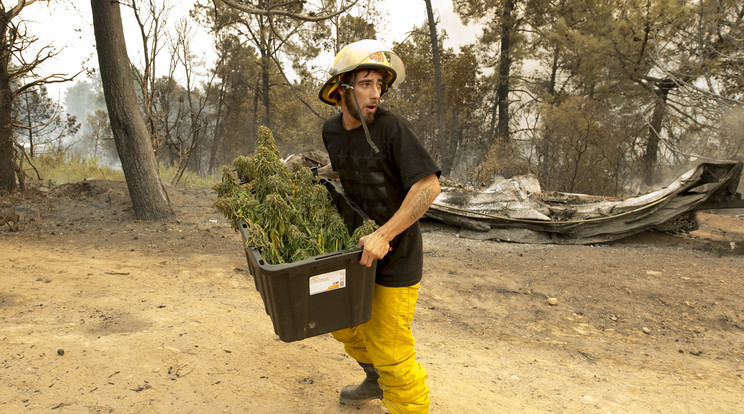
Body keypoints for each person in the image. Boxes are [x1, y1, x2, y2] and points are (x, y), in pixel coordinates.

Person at [317, 39, 441, 414]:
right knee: (343, 323)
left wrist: (384, 234)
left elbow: (429, 186)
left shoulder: (392, 128)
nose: (375, 94)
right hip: (356, 251)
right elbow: (347, 163)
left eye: (379, 85)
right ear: (342, 89)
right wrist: (317, 175)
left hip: (396, 255)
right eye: (366, 83)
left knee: (390, 346)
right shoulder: (331, 131)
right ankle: (374, 379)